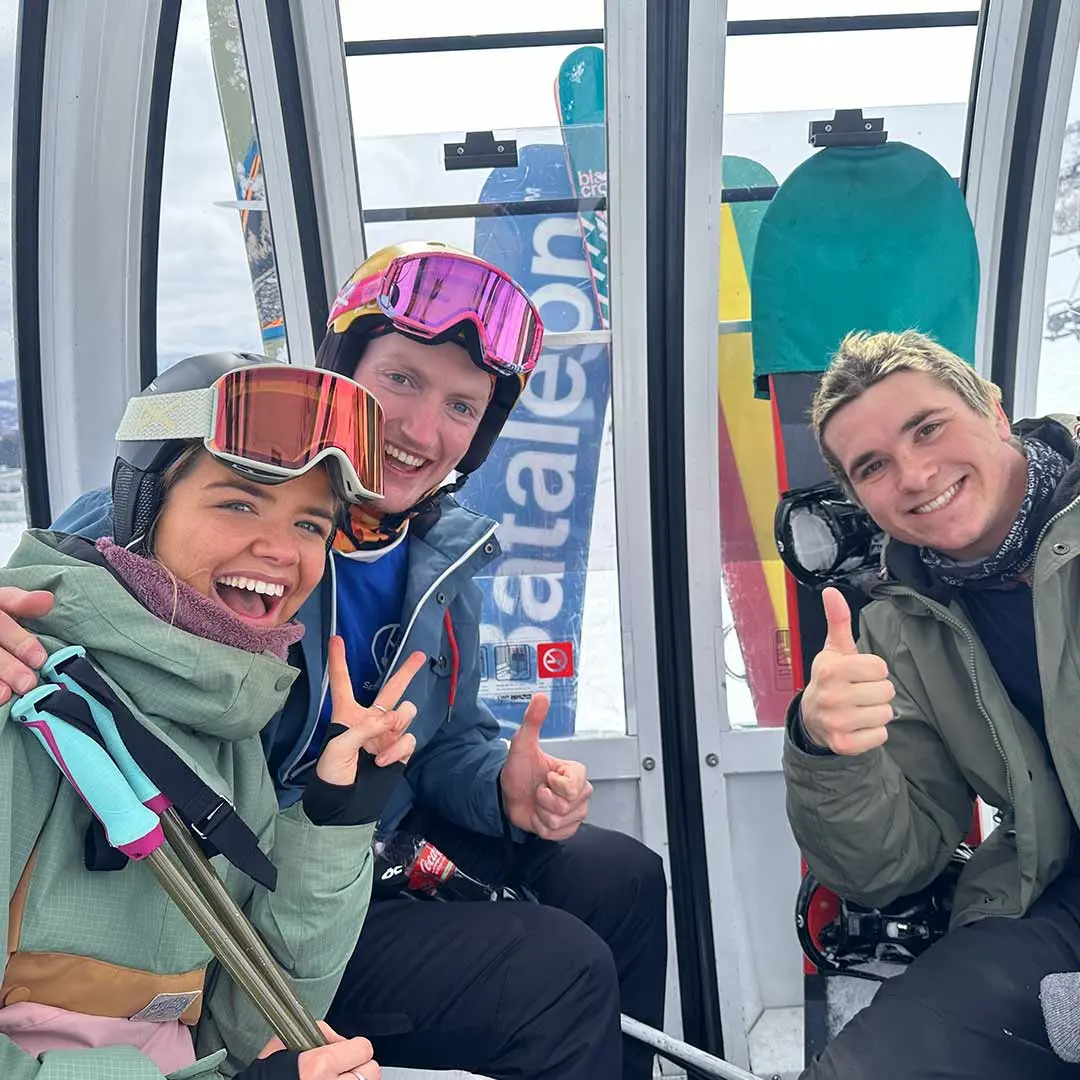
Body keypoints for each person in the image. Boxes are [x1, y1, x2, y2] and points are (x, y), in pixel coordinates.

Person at [5, 243, 668, 1080]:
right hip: (258, 861)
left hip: (360, 832)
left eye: (463, 406)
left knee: (621, 876)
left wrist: (502, 785)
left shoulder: (442, 557)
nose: (424, 430)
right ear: (344, 375)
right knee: (557, 972)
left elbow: (449, 742)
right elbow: (62, 584)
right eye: (401, 381)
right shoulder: (203, 508)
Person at [0, 352, 423, 1080]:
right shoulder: (21, 692)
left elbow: (243, 1022)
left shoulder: (225, 730)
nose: (281, 550)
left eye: (312, 526)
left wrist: (335, 817)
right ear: (144, 509)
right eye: (238, 503)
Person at [784, 329, 1080, 1079]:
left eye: (928, 428)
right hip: (1056, 899)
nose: (915, 475)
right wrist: (828, 750)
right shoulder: (901, 624)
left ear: (993, 408)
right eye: (874, 466)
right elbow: (889, 866)